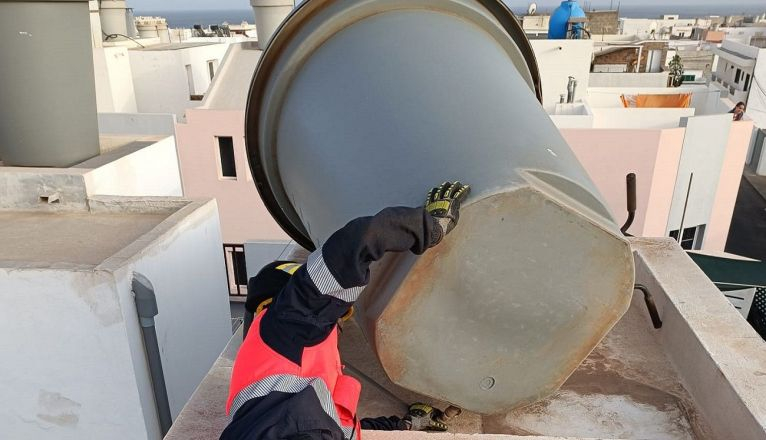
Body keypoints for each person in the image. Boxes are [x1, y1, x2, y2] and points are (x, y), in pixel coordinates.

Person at [221, 181, 471, 440]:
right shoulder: (293, 320)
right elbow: (356, 241)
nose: (342, 315)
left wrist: (405, 425)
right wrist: (431, 227)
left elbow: (327, 420)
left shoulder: (283, 341)